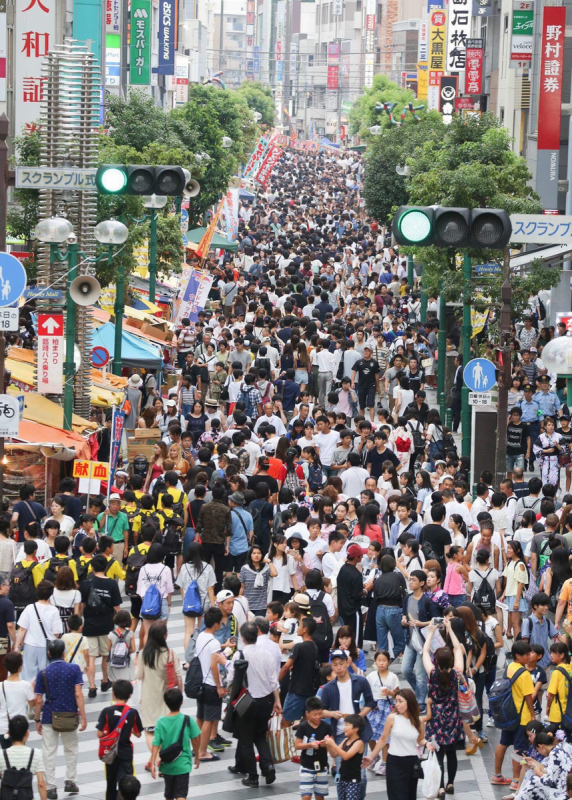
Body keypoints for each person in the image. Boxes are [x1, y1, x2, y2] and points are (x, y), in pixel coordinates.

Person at [227, 621, 281, 786]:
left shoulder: (239, 656)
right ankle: (268, 765)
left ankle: (253, 776)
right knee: (260, 735)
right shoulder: (267, 654)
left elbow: (231, 679)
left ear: (243, 638)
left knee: (246, 740)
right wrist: (277, 701)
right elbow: (273, 681)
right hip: (266, 700)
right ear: (257, 635)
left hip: (247, 702)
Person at [34, 639, 86, 799]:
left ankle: (50, 787)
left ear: (49, 654)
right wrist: (83, 716)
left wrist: (37, 719)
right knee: (71, 748)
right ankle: (70, 780)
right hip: (69, 714)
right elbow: (78, 693)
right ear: (64, 653)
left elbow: (38, 699)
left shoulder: (43, 673)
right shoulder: (74, 669)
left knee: (49, 751)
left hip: (50, 715)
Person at [319, 650, 374, 800]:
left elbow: (370, 702)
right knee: (341, 773)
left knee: (360, 775)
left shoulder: (360, 681)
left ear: (347, 662)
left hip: (359, 733)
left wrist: (359, 717)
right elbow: (321, 711)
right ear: (331, 666)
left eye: (341, 664)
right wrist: (331, 714)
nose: (339, 668)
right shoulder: (329, 687)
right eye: (335, 665)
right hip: (339, 733)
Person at [422, 620, 468, 796]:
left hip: (436, 718)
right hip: (453, 717)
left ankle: (440, 786)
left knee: (438, 753)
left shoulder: (432, 673)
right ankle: (450, 783)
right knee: (452, 754)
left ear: (437, 661)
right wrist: (449, 628)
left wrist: (432, 632)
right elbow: (457, 649)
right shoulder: (456, 673)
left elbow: (425, 651)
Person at [135, 621, 182, 770]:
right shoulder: (170, 653)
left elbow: (139, 675)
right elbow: (178, 675)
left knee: (150, 731)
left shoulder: (144, 654)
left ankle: (158, 758)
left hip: (149, 697)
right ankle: (153, 761)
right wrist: (179, 696)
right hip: (167, 698)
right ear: (164, 636)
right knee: (164, 731)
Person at [363, 689, 424, 800]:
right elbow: (383, 739)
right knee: (396, 796)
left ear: (409, 702)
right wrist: (371, 757)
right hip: (394, 762)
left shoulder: (418, 721)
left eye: (400, 701)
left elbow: (420, 739)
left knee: (410, 796)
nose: (397, 704)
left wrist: (428, 744)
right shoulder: (392, 718)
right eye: (396, 701)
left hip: (411, 763)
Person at [491, 641, 536, 786]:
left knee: (503, 743)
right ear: (518, 656)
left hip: (508, 715)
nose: (529, 657)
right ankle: (516, 780)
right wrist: (533, 715)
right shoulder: (525, 674)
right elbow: (529, 697)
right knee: (519, 748)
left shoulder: (510, 666)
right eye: (526, 654)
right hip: (521, 717)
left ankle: (497, 775)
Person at [79, 554, 122, 699]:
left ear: (92, 567)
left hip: (90, 625)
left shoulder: (85, 584)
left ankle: (92, 686)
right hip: (107, 625)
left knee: (91, 657)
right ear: (105, 567)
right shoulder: (111, 584)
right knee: (105, 655)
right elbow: (117, 607)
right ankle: (105, 680)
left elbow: (82, 605)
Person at [151, 688, 201, 800]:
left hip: (167, 765)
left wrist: (153, 762)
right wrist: (197, 756)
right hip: (183, 764)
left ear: (166, 703)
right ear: (181, 702)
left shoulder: (161, 721)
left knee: (169, 795)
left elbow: (155, 743)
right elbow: (196, 740)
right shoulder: (187, 720)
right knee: (181, 795)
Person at [96, 680, 142, 800]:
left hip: (110, 752)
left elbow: (99, 733)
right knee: (126, 783)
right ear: (130, 695)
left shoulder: (106, 711)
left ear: (113, 694)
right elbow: (138, 734)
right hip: (126, 752)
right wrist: (128, 727)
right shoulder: (133, 713)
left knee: (111, 783)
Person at [193, 607, 227, 762]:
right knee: (209, 719)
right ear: (215, 624)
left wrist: (224, 646)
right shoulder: (213, 642)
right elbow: (214, 666)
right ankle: (203, 752)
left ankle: (195, 748)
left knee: (200, 717)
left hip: (200, 683)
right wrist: (219, 687)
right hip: (211, 685)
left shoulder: (201, 636)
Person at [14, 580, 63, 682]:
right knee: (45, 676)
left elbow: (22, 629)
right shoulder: (54, 610)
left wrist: (16, 646)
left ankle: (31, 696)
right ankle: (43, 696)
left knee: (28, 675)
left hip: (30, 645)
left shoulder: (29, 608)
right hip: (47, 647)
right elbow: (56, 633)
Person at [401, 570, 433, 712]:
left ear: (421, 583)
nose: (411, 582)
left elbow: (435, 620)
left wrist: (422, 624)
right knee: (405, 670)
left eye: (414, 580)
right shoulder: (408, 598)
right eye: (410, 580)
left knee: (420, 675)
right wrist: (403, 620)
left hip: (423, 642)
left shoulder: (426, 600)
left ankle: (420, 703)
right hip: (410, 640)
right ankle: (421, 693)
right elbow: (404, 614)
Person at [280, 616, 318, 723]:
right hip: (309, 690)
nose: (297, 628)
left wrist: (276, 680)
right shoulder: (314, 647)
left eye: (300, 626)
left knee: (285, 721)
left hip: (296, 689)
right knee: (306, 722)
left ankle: (286, 740)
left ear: (305, 629)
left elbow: (286, 667)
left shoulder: (298, 647)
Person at [0, 714, 47, 800]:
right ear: (27, 733)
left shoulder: (2, 754)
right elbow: (41, 783)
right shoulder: (35, 754)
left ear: (9, 733)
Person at [294, 696, 331, 800]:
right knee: (306, 796)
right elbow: (297, 745)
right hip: (306, 766)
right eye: (315, 714)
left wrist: (326, 743)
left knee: (320, 796)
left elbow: (332, 746)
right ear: (307, 713)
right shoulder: (303, 727)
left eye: (320, 714)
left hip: (322, 766)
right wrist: (309, 745)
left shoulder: (326, 727)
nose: (318, 717)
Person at [323, 714, 365, 800]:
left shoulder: (359, 743)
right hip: (342, 777)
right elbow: (334, 754)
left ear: (356, 729)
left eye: (347, 725)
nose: (344, 728)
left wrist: (332, 744)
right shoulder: (346, 740)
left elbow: (346, 756)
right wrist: (327, 745)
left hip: (353, 780)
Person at [0, 651, 35, 740]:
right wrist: (33, 689)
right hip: (20, 727)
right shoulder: (26, 685)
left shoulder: (1, 686)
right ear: (20, 667)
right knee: (20, 753)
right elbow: (32, 703)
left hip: (4, 727)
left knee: (6, 753)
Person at [337, 544, 365, 646]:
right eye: (361, 555)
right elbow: (357, 594)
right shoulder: (356, 574)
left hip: (343, 609)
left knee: (345, 638)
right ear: (357, 557)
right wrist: (367, 589)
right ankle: (356, 658)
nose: (362, 557)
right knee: (355, 639)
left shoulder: (343, 569)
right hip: (353, 610)